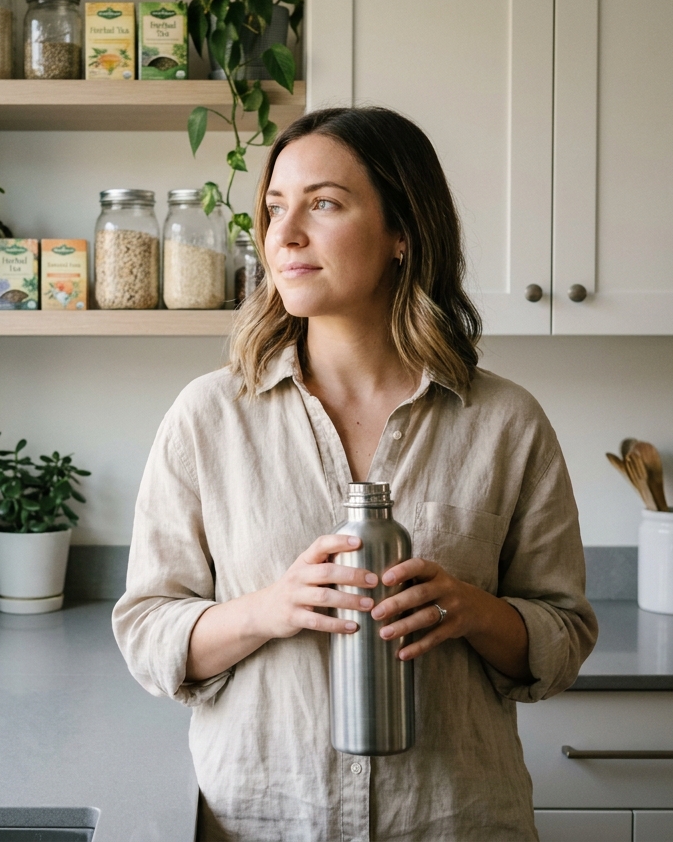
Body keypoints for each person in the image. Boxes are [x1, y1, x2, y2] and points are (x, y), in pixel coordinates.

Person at [112, 107, 597, 841]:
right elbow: (147, 633)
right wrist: (268, 610)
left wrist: (471, 610)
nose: (285, 234)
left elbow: (563, 637)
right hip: (266, 822)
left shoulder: (505, 422)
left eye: (325, 204)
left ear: (404, 232)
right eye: (276, 207)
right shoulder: (208, 418)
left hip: (454, 821)